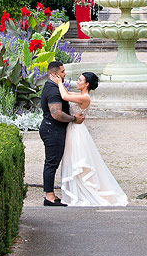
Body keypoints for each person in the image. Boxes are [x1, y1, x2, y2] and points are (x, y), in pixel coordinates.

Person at [51, 70, 128, 206]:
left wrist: (58, 82)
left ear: (86, 84)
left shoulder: (85, 97)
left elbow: (64, 96)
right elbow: (67, 94)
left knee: (77, 160)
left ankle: (81, 193)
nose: (77, 82)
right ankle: (76, 191)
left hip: (77, 131)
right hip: (73, 128)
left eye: (80, 80)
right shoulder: (81, 95)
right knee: (71, 159)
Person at [39, 60, 82, 206]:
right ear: (54, 74)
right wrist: (74, 119)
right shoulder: (52, 90)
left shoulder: (54, 86)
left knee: (53, 162)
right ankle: (49, 197)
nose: (65, 74)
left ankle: (51, 195)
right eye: (62, 72)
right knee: (51, 162)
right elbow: (56, 114)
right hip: (52, 129)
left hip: (53, 128)